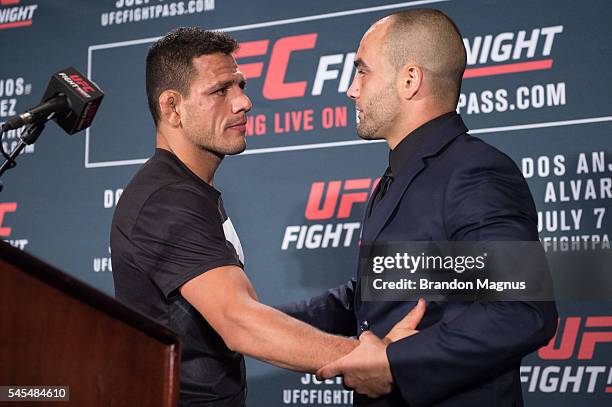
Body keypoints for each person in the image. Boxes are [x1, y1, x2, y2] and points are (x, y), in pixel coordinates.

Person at [110, 27, 422, 406]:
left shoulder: (187, 192)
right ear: (172, 107)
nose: (243, 102)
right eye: (220, 90)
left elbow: (239, 316)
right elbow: (240, 322)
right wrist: (365, 359)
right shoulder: (167, 199)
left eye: (240, 86)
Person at [279, 9, 558, 406]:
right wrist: (259, 322)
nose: (351, 90)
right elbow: (378, 293)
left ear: (409, 80)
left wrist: (395, 362)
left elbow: (521, 310)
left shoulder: (476, 171)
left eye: (362, 72)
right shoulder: (399, 175)